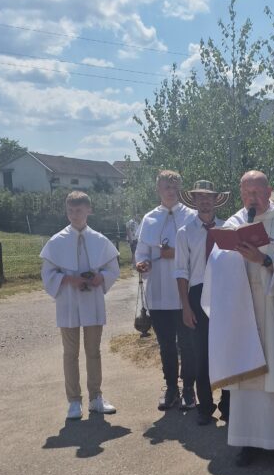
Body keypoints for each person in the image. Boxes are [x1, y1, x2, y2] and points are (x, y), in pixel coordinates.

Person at [202, 170, 274, 466]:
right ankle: (248, 442)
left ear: (269, 191)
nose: (251, 199)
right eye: (246, 193)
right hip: (243, 309)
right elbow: (216, 261)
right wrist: (232, 254)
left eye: (256, 192)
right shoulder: (235, 221)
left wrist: (265, 259)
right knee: (248, 380)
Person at [40, 191, 120, 421]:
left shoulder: (99, 240)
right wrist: (68, 279)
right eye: (71, 211)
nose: (74, 215)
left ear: (88, 211)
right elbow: (47, 274)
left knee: (93, 351)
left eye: (79, 210)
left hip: (92, 301)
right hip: (68, 302)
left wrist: (101, 277)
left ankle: (96, 397)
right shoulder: (57, 241)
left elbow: (113, 269)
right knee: (70, 353)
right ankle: (74, 401)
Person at [135, 170, 197, 410]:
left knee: (188, 344)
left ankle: (189, 388)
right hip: (159, 292)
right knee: (166, 345)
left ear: (179, 188)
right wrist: (142, 264)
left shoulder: (191, 216)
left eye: (174, 187)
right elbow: (142, 251)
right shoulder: (149, 218)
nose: (170, 191)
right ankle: (171, 388)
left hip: (184, 294)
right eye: (166, 187)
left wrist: (175, 253)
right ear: (158, 189)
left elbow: (198, 249)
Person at [175, 180, 231, 427]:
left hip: (224, 292)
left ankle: (228, 405)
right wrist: (186, 307)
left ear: (216, 200)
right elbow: (181, 271)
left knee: (226, 351)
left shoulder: (227, 228)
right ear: (194, 201)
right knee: (202, 353)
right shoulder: (185, 232)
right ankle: (205, 407)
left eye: (209, 197)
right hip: (198, 294)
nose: (205, 201)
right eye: (200, 197)